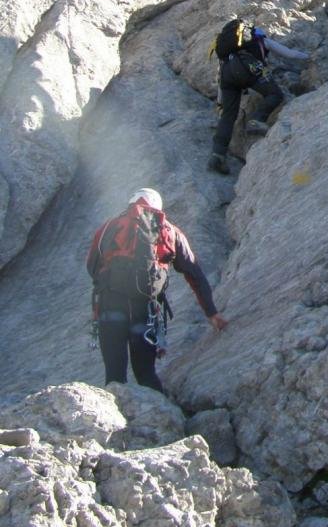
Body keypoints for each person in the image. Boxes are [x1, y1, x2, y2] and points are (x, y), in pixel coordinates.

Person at [87, 187, 228, 393]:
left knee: (114, 374)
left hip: (111, 306)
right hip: (146, 310)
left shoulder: (111, 226)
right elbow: (194, 273)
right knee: (146, 374)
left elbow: (92, 265)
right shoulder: (170, 231)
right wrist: (211, 312)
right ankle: (158, 411)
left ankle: (114, 411)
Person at [208, 23, 310, 175]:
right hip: (248, 69)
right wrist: (308, 57)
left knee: (228, 116)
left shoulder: (226, 49)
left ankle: (217, 155)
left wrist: (220, 102)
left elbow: (220, 75)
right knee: (275, 94)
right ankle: (257, 119)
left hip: (227, 74)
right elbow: (290, 54)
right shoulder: (260, 38)